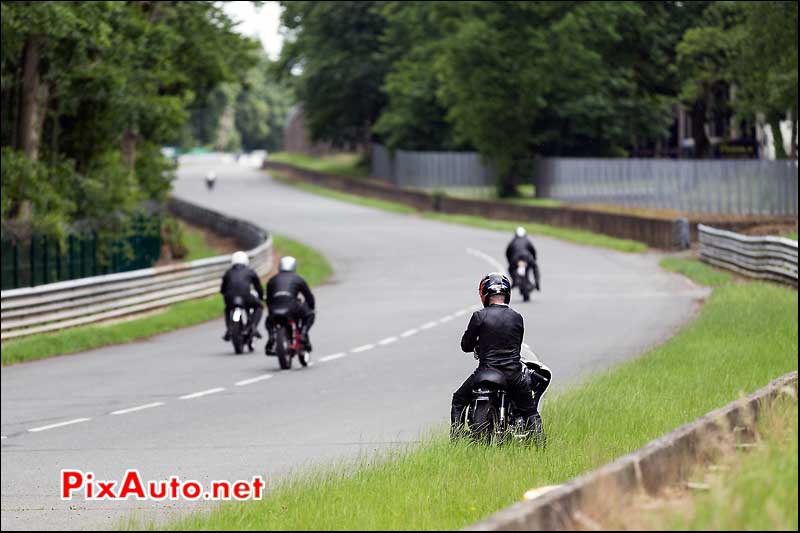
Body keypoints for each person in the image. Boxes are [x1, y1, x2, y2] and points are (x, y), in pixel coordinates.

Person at [451, 272, 540, 438]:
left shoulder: (479, 316)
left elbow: (465, 345)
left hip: (486, 371)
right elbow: (517, 343)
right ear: (507, 294)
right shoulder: (517, 317)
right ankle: (539, 443)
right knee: (530, 411)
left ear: (484, 294)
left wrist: (479, 345)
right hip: (513, 374)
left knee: (458, 400)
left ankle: (455, 440)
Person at [265, 256, 316, 354]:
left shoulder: (272, 280)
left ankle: (271, 337)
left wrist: (271, 310)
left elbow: (269, 298)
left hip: (275, 309)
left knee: (269, 321)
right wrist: (311, 307)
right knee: (310, 314)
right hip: (292, 308)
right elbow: (308, 296)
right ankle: (303, 334)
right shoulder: (298, 279)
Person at [220, 251, 264, 341]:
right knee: (259, 306)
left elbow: (222, 289)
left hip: (230, 299)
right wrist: (261, 297)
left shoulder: (228, 272)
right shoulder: (250, 272)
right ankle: (253, 327)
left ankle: (229, 329)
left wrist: (227, 295)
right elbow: (258, 287)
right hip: (246, 297)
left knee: (228, 309)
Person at [505, 226, 540, 292]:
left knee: (510, 269)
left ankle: (515, 281)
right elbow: (533, 251)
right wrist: (534, 260)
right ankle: (537, 283)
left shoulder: (512, 241)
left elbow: (507, 253)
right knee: (535, 267)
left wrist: (510, 262)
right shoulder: (527, 240)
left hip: (515, 258)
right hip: (527, 257)